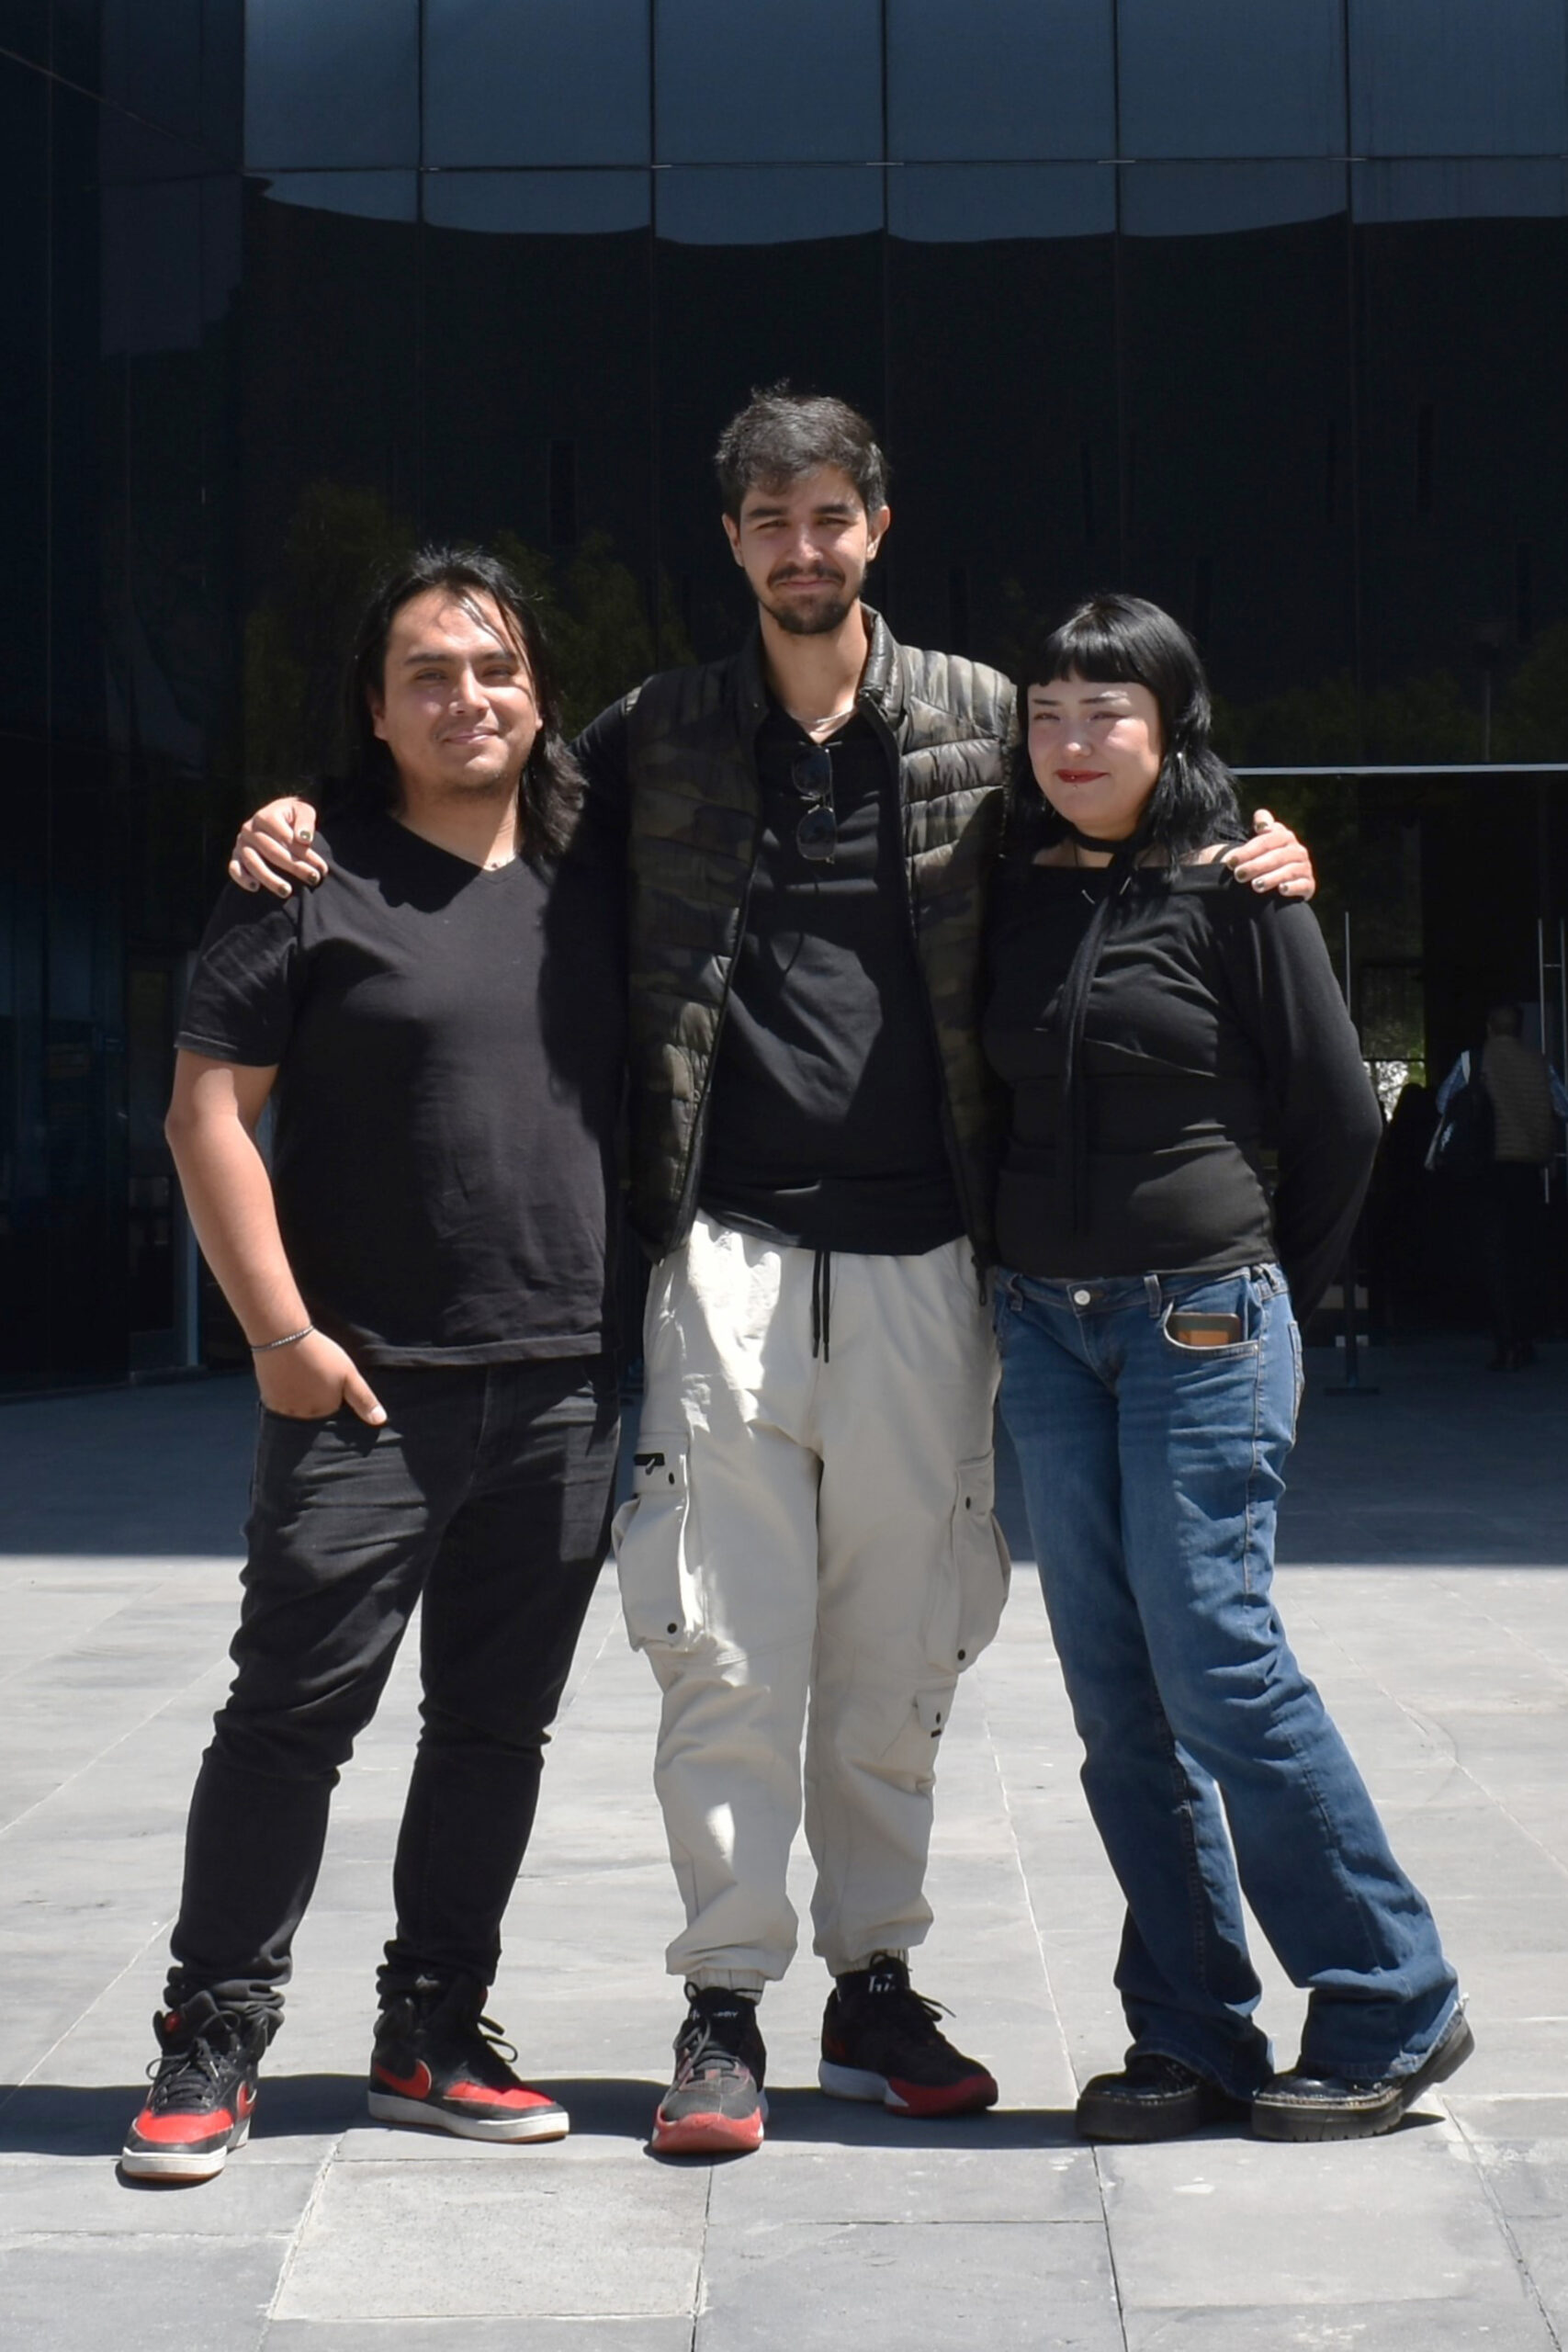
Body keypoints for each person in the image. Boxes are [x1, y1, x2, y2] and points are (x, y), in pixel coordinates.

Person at [226, 390, 1314, 2159]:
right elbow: (472, 797)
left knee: (902, 1647)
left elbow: (1129, 813)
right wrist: (302, 817)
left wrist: (1254, 843)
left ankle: (875, 1984)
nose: (801, 549)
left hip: (929, 1261)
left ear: (876, 524)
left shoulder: (983, 715)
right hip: (721, 1255)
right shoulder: (657, 730)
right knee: (720, 1647)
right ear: (730, 539)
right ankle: (722, 2003)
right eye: (767, 520)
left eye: (829, 516)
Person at [121, 550, 624, 2183]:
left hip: (565, 1384)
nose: (466, 696)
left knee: (493, 1731)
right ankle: (213, 2030)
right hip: (363, 1390)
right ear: (376, 707)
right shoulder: (303, 877)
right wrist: (278, 1339)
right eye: (428, 672)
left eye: (494, 667)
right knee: (289, 1717)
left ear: (536, 693)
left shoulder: (603, 869)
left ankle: (432, 2029)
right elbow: (206, 1112)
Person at [986, 593, 1469, 2145]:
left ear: (1168, 727)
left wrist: (1267, 1295)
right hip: (1044, 1329)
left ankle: (1389, 1996)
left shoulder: (1240, 891)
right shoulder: (1002, 887)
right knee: (1113, 1694)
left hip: (1198, 1317)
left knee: (1215, 1660)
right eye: (1047, 712)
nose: (1070, 741)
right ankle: (1189, 2032)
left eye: (1104, 712)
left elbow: (1335, 1120)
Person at [1434, 1002, 1568, 1369]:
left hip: (1486, 1167)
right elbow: (1562, 1106)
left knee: (1494, 1256)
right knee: (1525, 1254)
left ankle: (1505, 1340)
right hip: (1527, 1170)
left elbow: (1443, 1102)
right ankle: (1525, 1337)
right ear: (1519, 1030)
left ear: (1489, 1028)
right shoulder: (1539, 1063)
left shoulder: (1473, 1061)